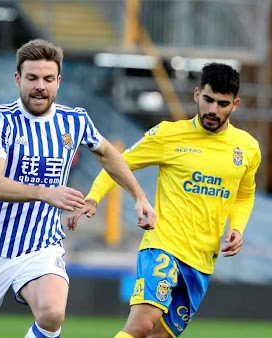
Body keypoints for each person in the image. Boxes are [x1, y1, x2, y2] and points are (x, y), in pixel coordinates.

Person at [0, 39, 156, 338]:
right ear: (18, 80)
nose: (39, 86)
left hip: (42, 244)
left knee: (52, 314)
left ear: (58, 82)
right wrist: (45, 192)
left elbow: (107, 153)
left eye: (47, 79)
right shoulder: (0, 119)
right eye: (31, 78)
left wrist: (139, 196)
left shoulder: (75, 120)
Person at [71, 63, 261, 338]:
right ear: (197, 94)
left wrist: (237, 228)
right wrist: (94, 196)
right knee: (141, 324)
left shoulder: (247, 148)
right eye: (208, 100)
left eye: (222, 104)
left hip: (202, 261)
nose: (213, 110)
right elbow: (119, 164)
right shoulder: (168, 135)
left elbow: (244, 195)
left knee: (159, 335)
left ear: (235, 105)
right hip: (164, 246)